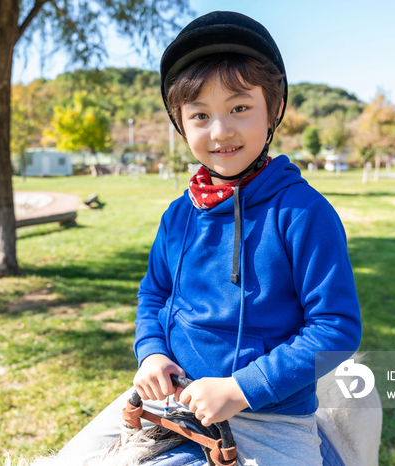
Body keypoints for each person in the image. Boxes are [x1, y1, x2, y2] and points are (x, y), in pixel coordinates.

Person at [57, 11, 362, 466]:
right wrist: (151, 354)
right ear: (181, 124)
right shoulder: (179, 215)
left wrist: (242, 388)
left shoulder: (303, 213)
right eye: (200, 115)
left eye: (239, 107)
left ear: (273, 108)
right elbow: (154, 294)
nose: (221, 131)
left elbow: (336, 328)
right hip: (170, 403)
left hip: (268, 416)